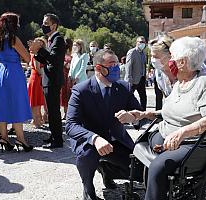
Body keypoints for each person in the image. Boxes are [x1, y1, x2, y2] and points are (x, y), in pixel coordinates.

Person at [121, 37, 206, 200]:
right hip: (167, 135)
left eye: (172, 57)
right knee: (139, 146)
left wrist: (183, 132)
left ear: (182, 62)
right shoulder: (181, 83)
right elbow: (172, 111)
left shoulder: (205, 83)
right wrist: (143, 114)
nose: (169, 61)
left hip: (192, 141)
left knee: (158, 166)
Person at [65, 49, 142, 200]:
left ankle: (107, 170)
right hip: (91, 142)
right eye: (112, 64)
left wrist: (133, 117)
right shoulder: (81, 90)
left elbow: (141, 115)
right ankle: (88, 189)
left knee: (138, 171)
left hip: (116, 140)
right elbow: (71, 125)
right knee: (87, 156)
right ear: (99, 68)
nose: (116, 68)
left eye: (117, 64)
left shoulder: (123, 87)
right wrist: (94, 138)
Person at [0, 12, 33, 152]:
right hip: (13, 72)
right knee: (17, 103)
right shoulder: (13, 39)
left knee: (1, 103)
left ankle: (4, 137)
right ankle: (21, 139)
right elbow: (28, 58)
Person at [29, 13, 66, 149]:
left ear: (54, 25)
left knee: (54, 111)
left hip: (53, 80)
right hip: (48, 79)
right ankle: (54, 135)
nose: (43, 26)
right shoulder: (51, 39)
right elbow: (47, 59)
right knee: (51, 111)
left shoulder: (58, 39)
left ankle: (57, 140)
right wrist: (36, 53)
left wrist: (39, 49)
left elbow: (53, 59)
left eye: (46, 23)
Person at [149, 34, 176, 110]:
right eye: (152, 56)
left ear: (170, 55)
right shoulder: (159, 73)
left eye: (156, 57)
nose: (153, 60)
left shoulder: (186, 70)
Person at [27, 37, 46, 128]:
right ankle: (36, 121)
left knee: (36, 101)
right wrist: (44, 75)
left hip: (35, 78)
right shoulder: (35, 54)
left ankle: (37, 120)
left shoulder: (35, 53)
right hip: (36, 78)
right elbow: (37, 68)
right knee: (35, 102)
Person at [124, 36, 147, 110]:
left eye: (144, 42)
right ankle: (125, 112)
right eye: (140, 42)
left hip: (141, 78)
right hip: (133, 80)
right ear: (136, 43)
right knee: (128, 97)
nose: (142, 44)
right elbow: (128, 66)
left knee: (143, 97)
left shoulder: (143, 53)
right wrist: (128, 80)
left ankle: (143, 114)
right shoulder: (132, 52)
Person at [60, 37, 73, 119]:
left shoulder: (72, 55)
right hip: (63, 75)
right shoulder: (62, 54)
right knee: (64, 94)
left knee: (67, 94)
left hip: (68, 76)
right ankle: (65, 112)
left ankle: (67, 113)